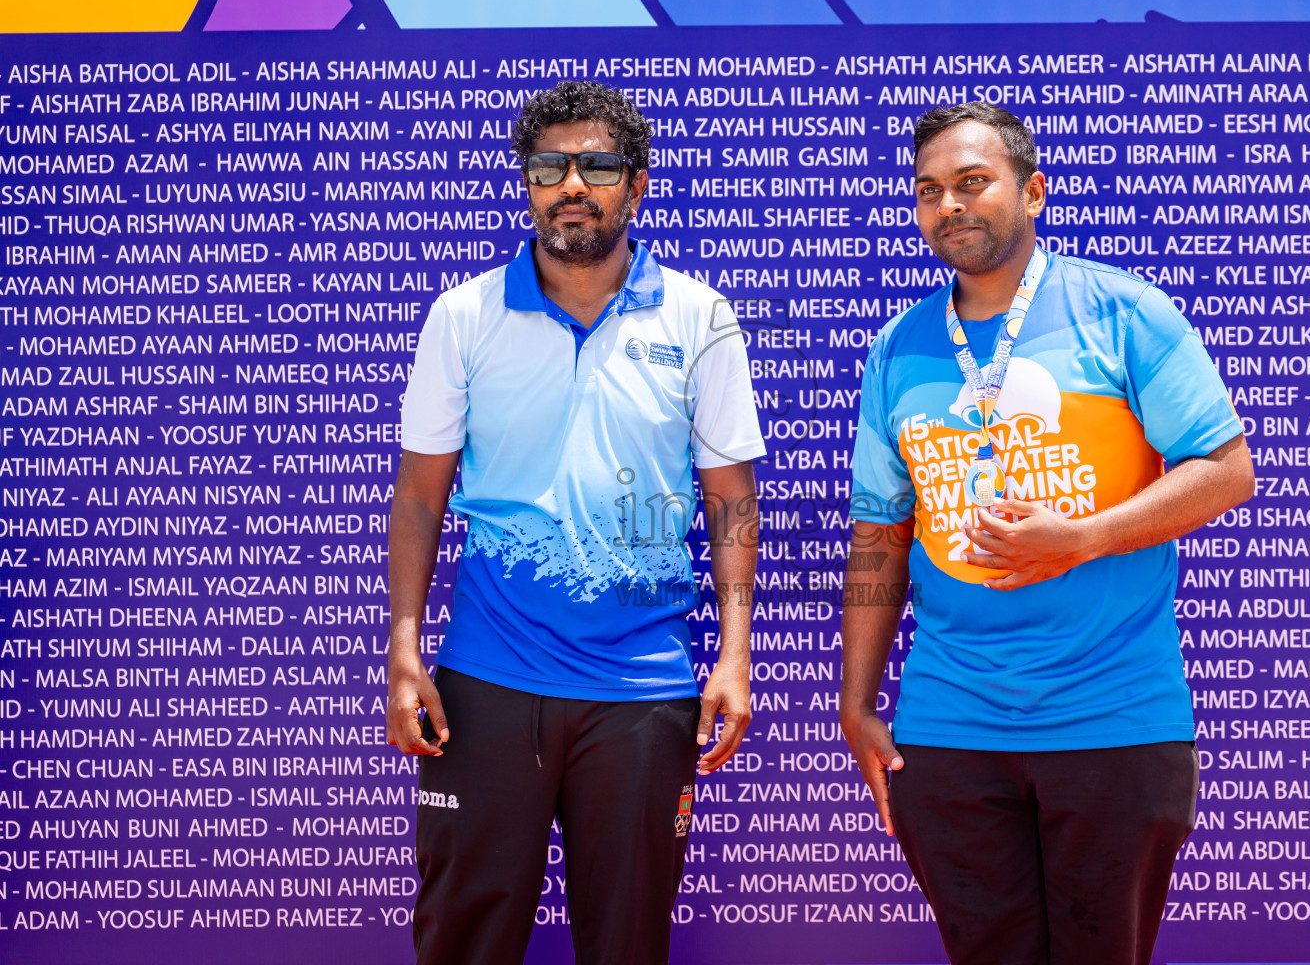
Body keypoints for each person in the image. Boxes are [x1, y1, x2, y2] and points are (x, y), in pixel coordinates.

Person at [841, 101, 1254, 965]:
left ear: (1032, 193)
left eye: (971, 183)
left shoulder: (1124, 312)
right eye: (927, 192)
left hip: (1114, 720)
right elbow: (881, 534)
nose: (947, 205)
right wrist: (857, 700)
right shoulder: (898, 348)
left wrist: (1083, 537)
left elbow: (1225, 472)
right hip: (950, 730)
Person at [385, 80, 764, 965]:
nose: (572, 184)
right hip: (485, 682)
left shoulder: (700, 316)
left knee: (628, 940)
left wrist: (736, 653)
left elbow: (731, 499)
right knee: (463, 939)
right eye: (549, 165)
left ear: (636, 185)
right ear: (526, 181)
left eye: (597, 164)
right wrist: (404, 650)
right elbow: (418, 497)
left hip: (642, 687)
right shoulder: (465, 314)